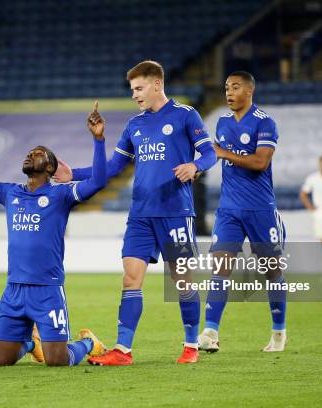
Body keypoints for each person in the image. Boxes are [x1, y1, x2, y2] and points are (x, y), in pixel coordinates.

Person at [54, 60, 217, 365]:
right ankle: (123, 350)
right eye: (132, 89)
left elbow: (209, 153)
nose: (134, 95)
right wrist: (72, 173)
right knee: (130, 279)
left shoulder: (185, 116)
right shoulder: (135, 125)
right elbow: (113, 168)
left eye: (139, 88)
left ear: (157, 84)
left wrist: (195, 165)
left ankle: (191, 344)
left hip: (175, 213)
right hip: (141, 214)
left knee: (181, 280)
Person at [0, 104, 108, 366]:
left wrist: (98, 139)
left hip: (47, 290)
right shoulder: (10, 193)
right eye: (30, 153)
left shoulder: (61, 195)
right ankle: (32, 342)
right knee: (1, 361)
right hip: (14, 289)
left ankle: (90, 343)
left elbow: (99, 181)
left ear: (51, 168)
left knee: (58, 361)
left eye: (38, 154)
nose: (30, 155)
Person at [198, 71, 287, 353]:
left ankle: (278, 333)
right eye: (226, 87)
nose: (229, 92)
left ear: (249, 90)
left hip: (260, 209)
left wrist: (223, 153)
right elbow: (214, 154)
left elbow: (261, 161)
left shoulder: (265, 123)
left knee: (271, 271)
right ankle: (210, 332)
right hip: (228, 210)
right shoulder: (222, 123)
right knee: (219, 266)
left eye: (235, 87)